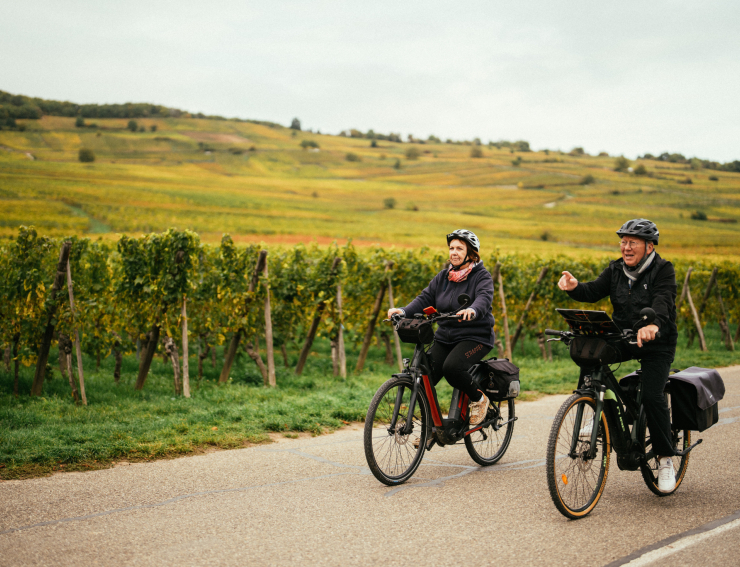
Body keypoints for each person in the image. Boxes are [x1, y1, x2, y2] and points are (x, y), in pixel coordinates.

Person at [557, 218, 679, 492]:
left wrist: (653, 324)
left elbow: (663, 301)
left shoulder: (663, 270)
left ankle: (665, 459)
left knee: (651, 394)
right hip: (624, 335)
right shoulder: (615, 270)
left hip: (657, 340)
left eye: (631, 242)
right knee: (592, 352)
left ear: (649, 246)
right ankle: (595, 407)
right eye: (623, 242)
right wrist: (575, 287)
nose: (625, 247)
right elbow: (593, 291)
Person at [387, 229, 495, 427]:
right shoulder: (444, 277)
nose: (454, 252)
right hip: (446, 336)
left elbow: (484, 298)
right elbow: (425, 298)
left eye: (459, 248)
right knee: (424, 376)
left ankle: (479, 400)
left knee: (453, 368)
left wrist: (472, 309)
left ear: (471, 254)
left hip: (476, 337)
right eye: (451, 248)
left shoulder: (482, 276)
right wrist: (403, 311)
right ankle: (431, 428)